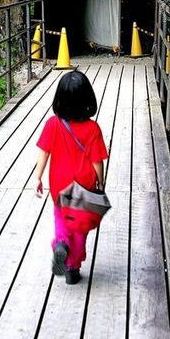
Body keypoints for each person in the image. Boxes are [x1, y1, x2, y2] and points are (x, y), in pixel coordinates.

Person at [33, 70, 108, 285]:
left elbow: (44, 153)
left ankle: (61, 244)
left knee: (61, 218)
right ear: (87, 99)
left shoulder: (52, 124)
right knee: (80, 227)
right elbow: (97, 161)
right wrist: (100, 182)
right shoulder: (93, 129)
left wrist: (37, 177)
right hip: (83, 185)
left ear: (59, 99)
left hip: (59, 183)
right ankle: (73, 268)